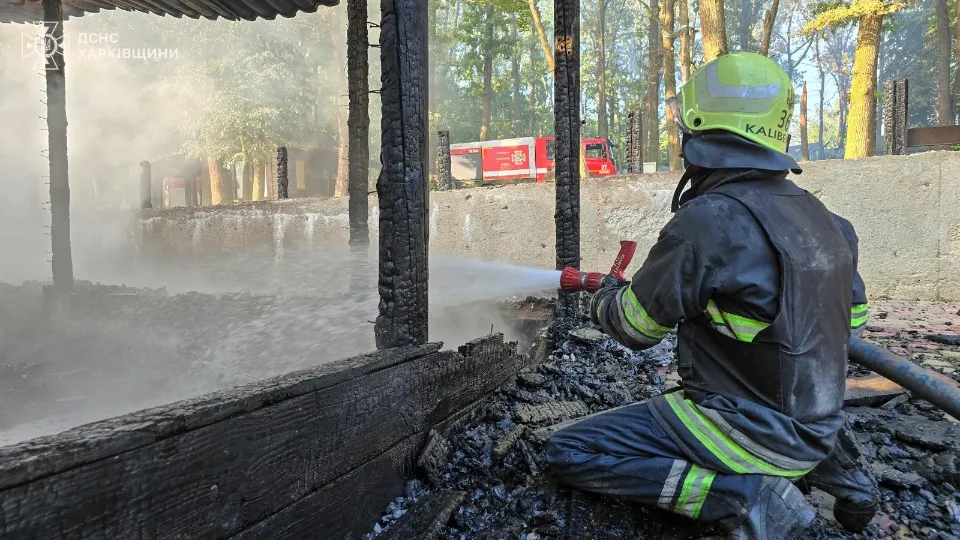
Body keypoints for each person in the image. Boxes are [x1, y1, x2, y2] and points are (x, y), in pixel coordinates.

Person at [545, 52, 877, 539]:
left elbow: (635, 328)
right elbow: (855, 322)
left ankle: (743, 498)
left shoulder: (709, 222)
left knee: (570, 450)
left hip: (746, 427)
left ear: (697, 137)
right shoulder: (829, 222)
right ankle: (842, 478)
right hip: (818, 426)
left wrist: (607, 297)